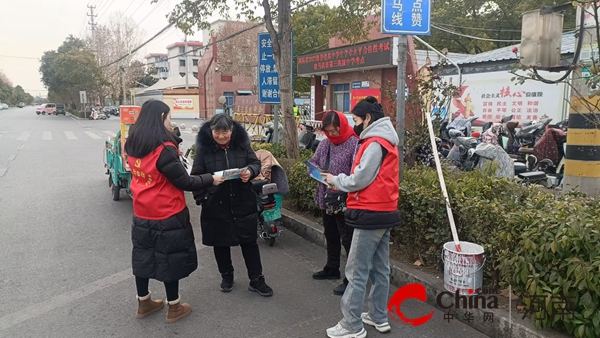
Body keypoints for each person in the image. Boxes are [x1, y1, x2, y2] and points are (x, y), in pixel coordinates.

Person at [125, 100, 224, 323]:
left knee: (143, 257)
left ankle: (144, 302)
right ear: (161, 118)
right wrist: (212, 179)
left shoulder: (133, 144)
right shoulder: (163, 149)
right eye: (169, 117)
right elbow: (185, 182)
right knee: (170, 259)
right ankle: (174, 307)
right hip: (167, 213)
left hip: (142, 212)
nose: (171, 122)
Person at [324, 97, 401, 338]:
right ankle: (378, 316)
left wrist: (336, 180)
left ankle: (351, 325)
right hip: (385, 211)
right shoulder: (387, 141)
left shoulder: (375, 143)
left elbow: (360, 179)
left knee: (356, 271)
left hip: (370, 213)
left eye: (356, 120)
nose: (355, 125)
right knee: (380, 268)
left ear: (368, 118)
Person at [191, 113, 274, 297]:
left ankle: (257, 279)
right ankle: (226, 276)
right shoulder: (204, 150)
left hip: (242, 201)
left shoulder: (242, 145)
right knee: (220, 244)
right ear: (211, 131)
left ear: (232, 130)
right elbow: (195, 177)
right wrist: (204, 196)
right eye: (217, 132)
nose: (221, 136)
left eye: (225, 131)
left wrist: (250, 172)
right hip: (215, 204)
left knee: (249, 242)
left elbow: (255, 163)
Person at [309, 110, 359, 295]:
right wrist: (314, 171)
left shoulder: (354, 143)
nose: (332, 134)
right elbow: (314, 161)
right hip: (326, 196)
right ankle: (332, 267)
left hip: (344, 198)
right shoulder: (325, 144)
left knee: (348, 239)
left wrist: (340, 181)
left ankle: (351, 278)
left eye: (335, 130)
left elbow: (357, 172)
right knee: (330, 233)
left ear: (343, 126)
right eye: (329, 131)